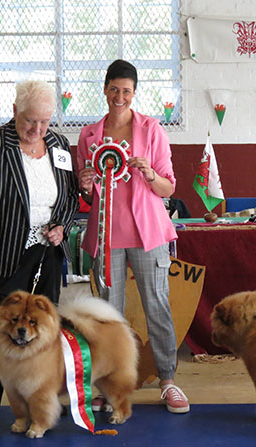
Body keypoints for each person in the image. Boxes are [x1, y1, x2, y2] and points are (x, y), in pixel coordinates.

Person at [0, 80, 79, 435]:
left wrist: (62, 224)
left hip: (48, 252)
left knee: (43, 332)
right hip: (6, 252)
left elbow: (70, 197)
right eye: (31, 121)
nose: (38, 129)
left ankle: (40, 404)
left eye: (45, 121)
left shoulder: (59, 144)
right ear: (15, 112)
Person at [76, 59, 188, 414]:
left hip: (148, 235)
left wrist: (150, 174)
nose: (119, 97)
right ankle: (108, 384)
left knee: (158, 306)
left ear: (134, 93)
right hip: (107, 237)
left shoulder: (152, 130)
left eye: (126, 91)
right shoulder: (89, 135)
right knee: (108, 315)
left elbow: (169, 186)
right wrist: (85, 184)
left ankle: (168, 381)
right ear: (105, 90)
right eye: (114, 90)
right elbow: (88, 195)